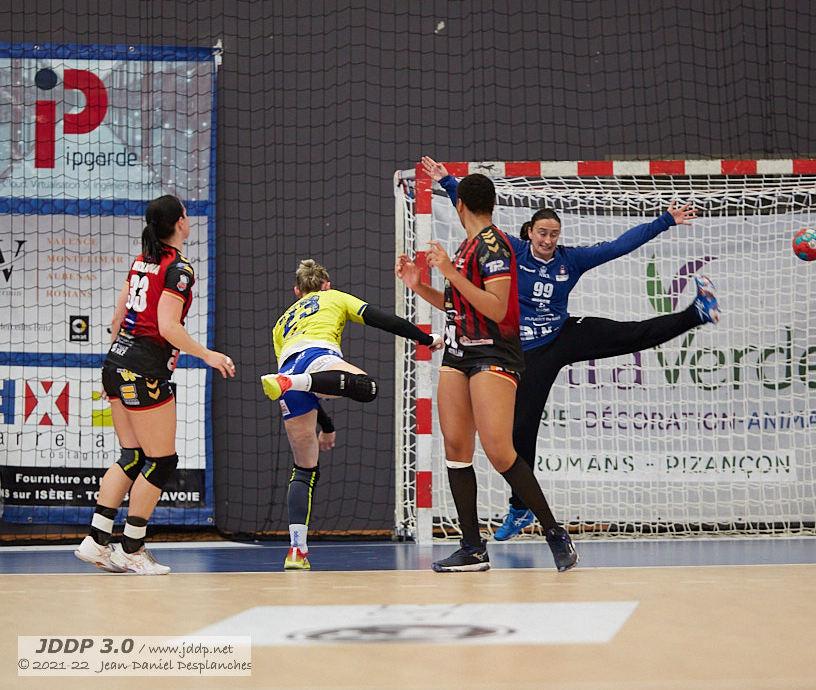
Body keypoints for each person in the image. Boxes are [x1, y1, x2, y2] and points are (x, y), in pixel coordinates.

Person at [420, 156, 721, 540]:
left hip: (561, 335)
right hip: (524, 351)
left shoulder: (570, 260)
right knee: (519, 434)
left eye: (554, 234)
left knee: (630, 334)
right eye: (542, 233)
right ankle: (519, 509)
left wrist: (665, 221)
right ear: (530, 232)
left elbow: (619, 246)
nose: (548, 240)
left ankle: (697, 312)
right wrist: (449, 183)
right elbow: (476, 218)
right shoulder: (510, 249)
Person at [395, 171, 579, 572]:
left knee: (498, 450)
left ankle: (554, 532)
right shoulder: (466, 246)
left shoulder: (494, 245)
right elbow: (457, 303)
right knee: (456, 449)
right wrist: (418, 285)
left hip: (493, 352)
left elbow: (495, 307)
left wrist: (448, 272)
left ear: (460, 204)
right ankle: (472, 548)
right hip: (458, 353)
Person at [75, 195, 236, 575]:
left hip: (116, 363)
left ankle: (96, 541)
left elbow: (118, 319)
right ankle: (132, 547)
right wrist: (207, 354)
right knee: (162, 461)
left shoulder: (142, 260)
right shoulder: (178, 268)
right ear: (180, 222)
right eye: (186, 214)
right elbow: (167, 326)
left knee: (131, 456)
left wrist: (117, 363)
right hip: (143, 369)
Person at [260, 259, 443, 570]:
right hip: (318, 357)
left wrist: (327, 426)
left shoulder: (281, 323)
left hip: (287, 374)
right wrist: (426, 339)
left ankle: (296, 551)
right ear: (326, 285)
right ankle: (296, 551)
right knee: (367, 387)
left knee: (303, 469)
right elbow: (382, 319)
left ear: (297, 292)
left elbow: (311, 389)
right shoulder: (333, 296)